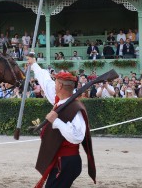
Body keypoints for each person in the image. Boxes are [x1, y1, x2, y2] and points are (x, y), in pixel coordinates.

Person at [27, 56, 96, 188]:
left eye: (56, 82)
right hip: (61, 161)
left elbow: (77, 137)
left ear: (59, 85)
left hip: (66, 163)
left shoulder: (75, 108)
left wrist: (56, 122)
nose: (53, 84)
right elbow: (45, 82)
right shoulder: (59, 101)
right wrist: (34, 65)